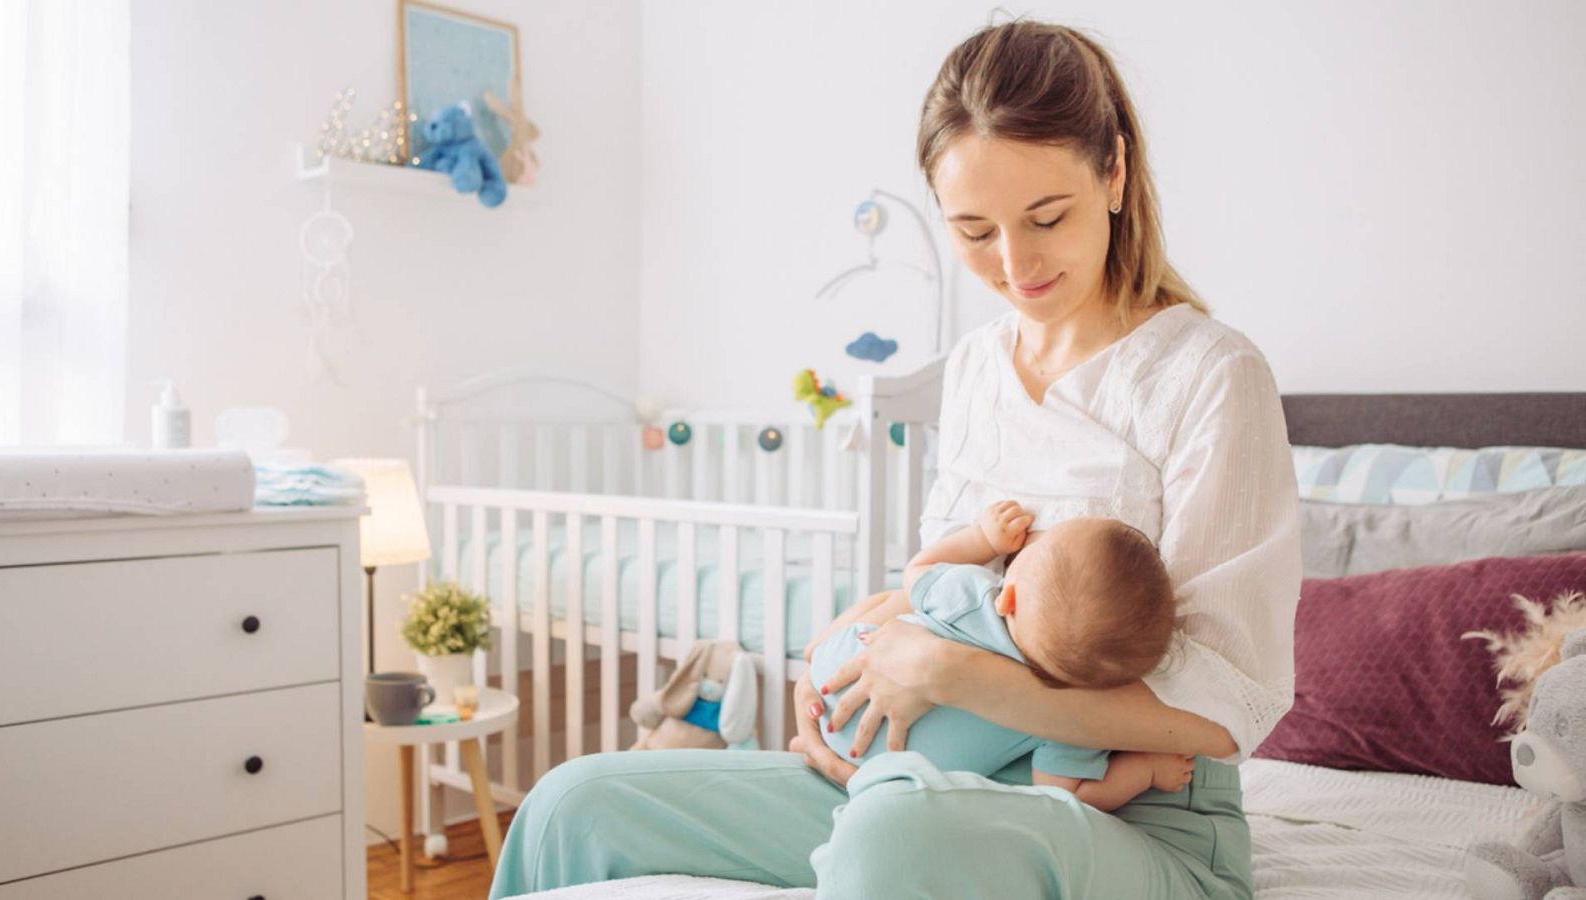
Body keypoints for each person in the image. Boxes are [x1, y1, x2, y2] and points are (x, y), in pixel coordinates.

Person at [489, 20, 1300, 900]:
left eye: (1046, 218)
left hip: (1129, 819)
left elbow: (1226, 710)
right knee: (574, 803)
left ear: (1113, 173)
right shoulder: (977, 372)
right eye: (974, 230)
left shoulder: (1209, 375)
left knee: (893, 835)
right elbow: (936, 586)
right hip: (928, 777)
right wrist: (832, 666)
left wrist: (956, 675)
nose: (1015, 262)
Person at [809, 502, 1197, 811]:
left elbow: (916, 571)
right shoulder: (1074, 716)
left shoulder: (973, 593)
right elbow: (1066, 796)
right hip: (899, 780)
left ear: (1008, 596)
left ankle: (819, 648)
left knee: (881, 603)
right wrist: (1145, 771)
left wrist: (983, 540)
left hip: (832, 687)